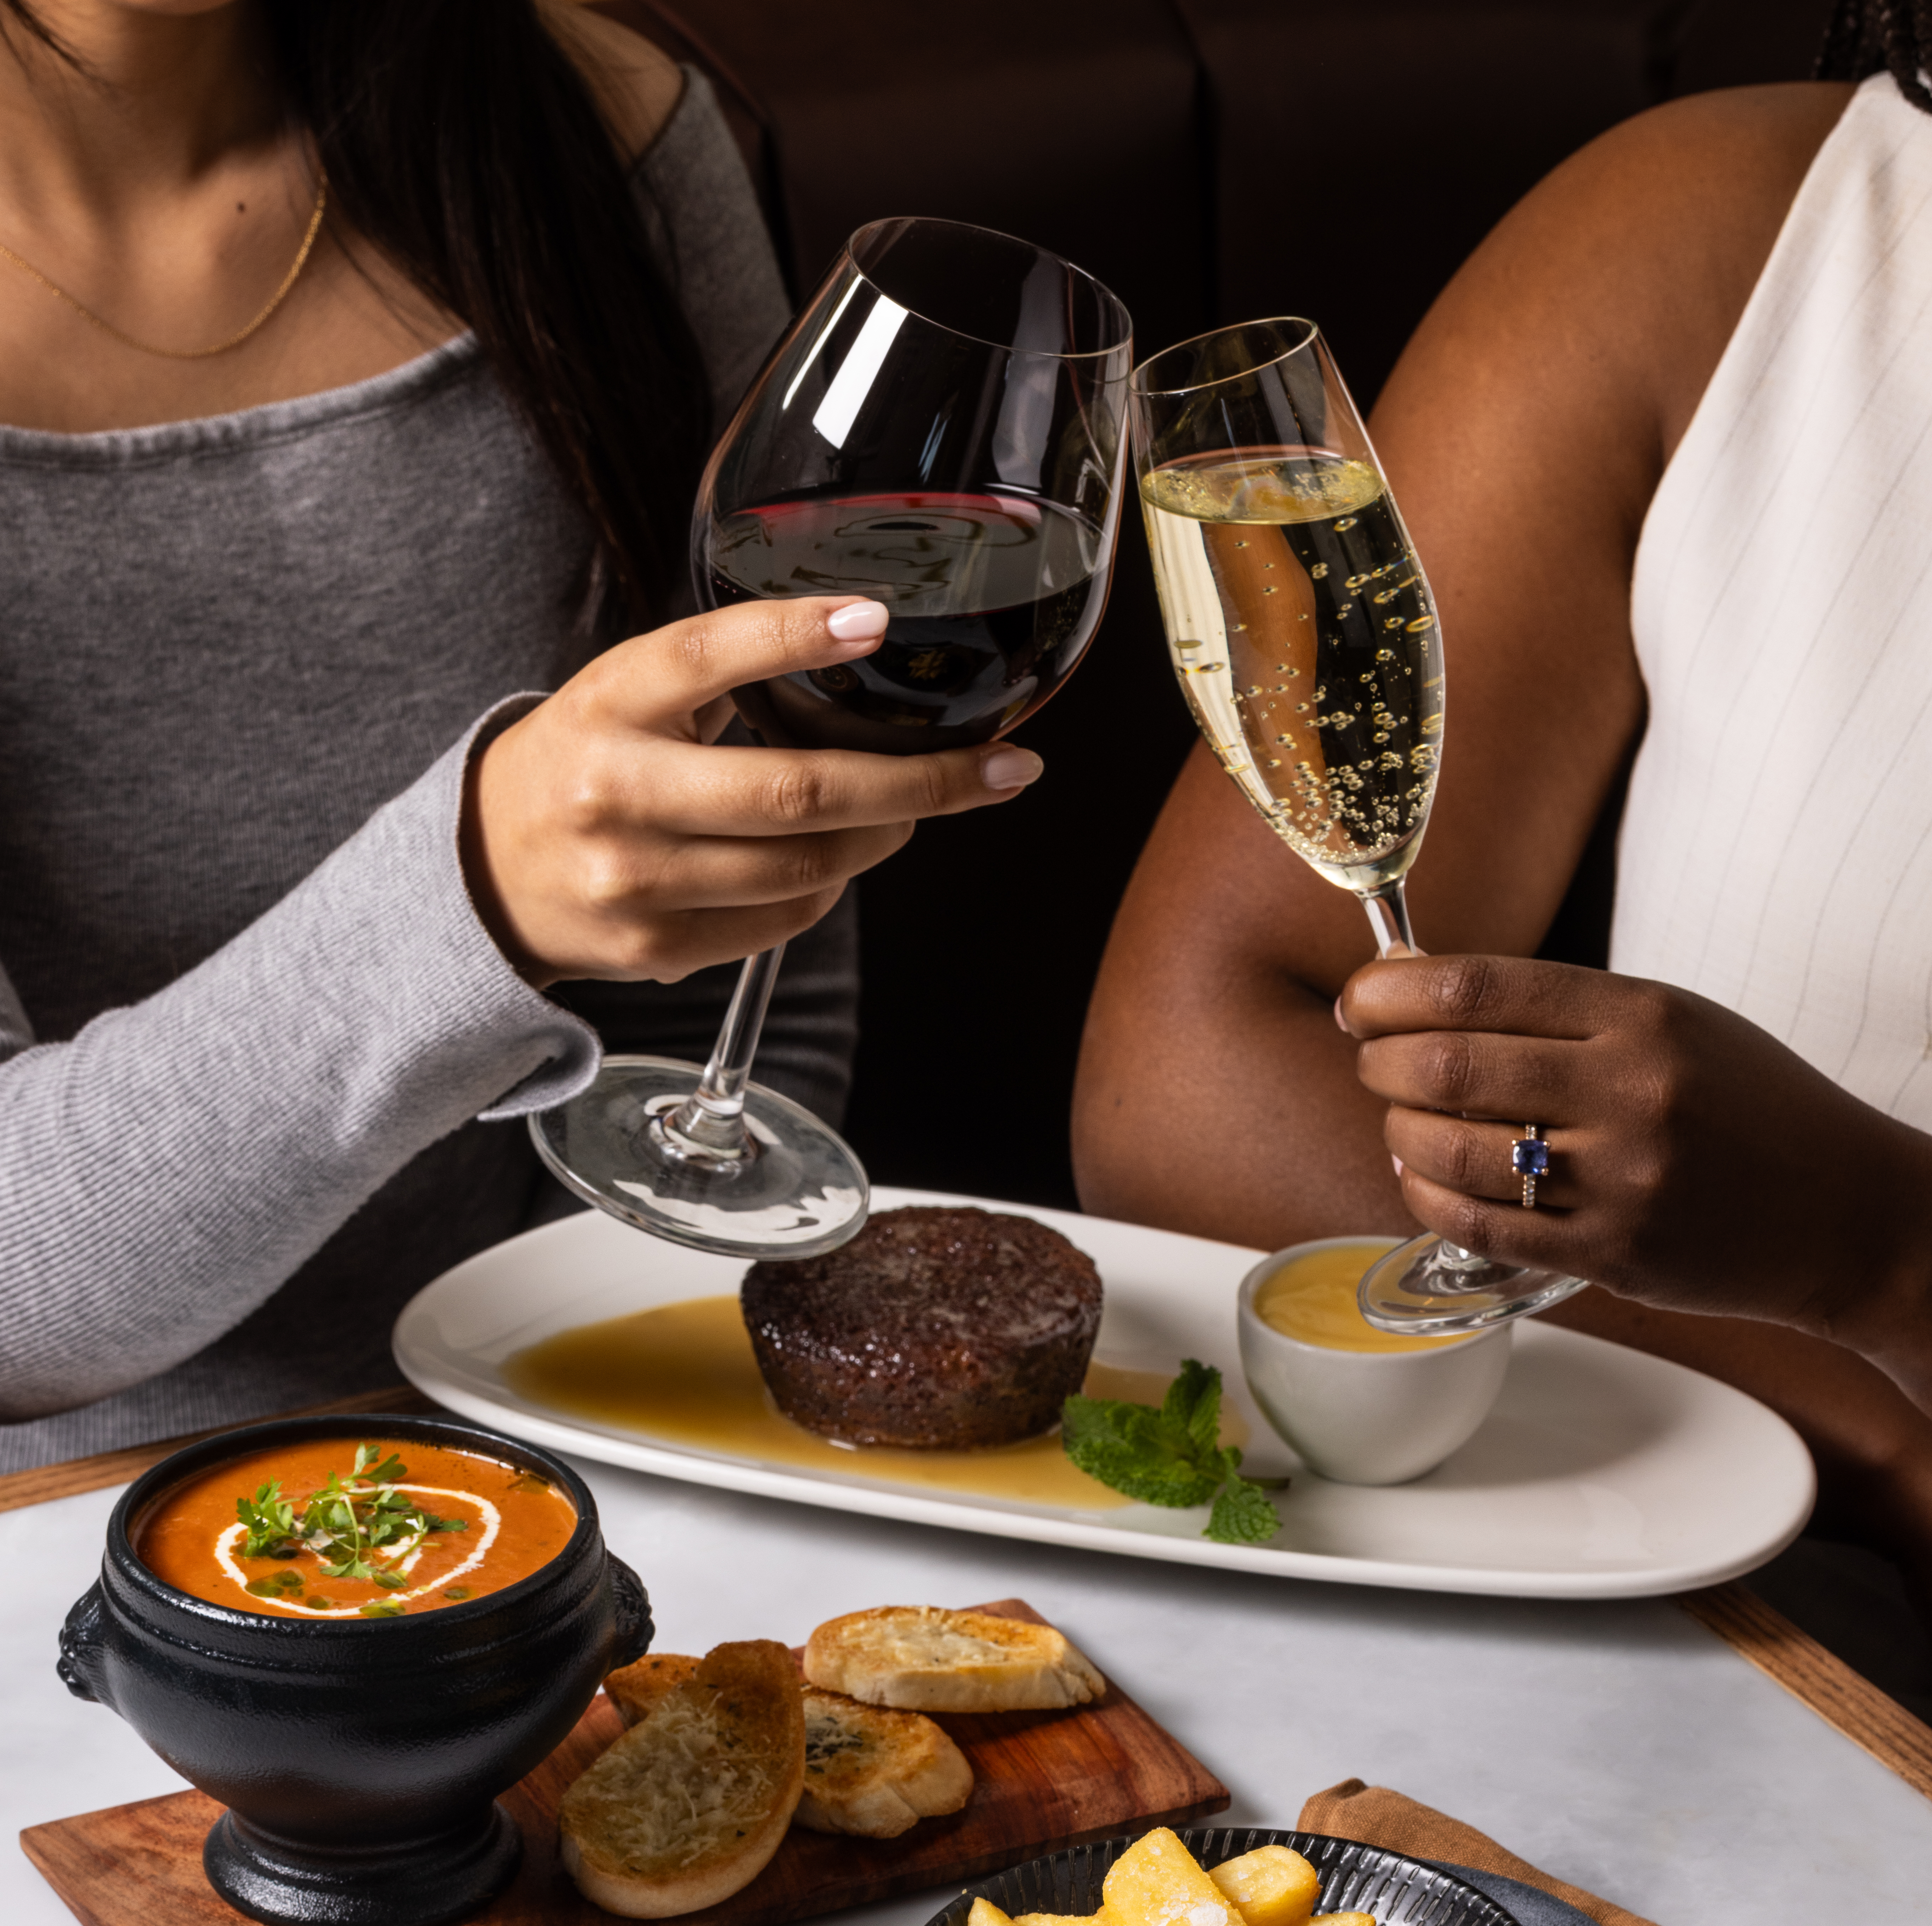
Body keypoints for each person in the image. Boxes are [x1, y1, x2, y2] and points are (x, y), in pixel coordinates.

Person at [0, 0, 1043, 1470]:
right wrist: (469, 897)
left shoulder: (596, 125)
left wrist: (579, 1435)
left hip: (575, 1436)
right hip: (71, 1540)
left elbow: (744, 958)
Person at [1074, 6, 1932, 1644]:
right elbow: (1182, 1073)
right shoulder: (1730, 227)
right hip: (1741, 1596)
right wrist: (1867, 1412)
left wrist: (1882, 1254)